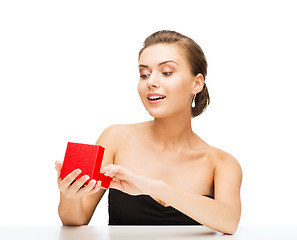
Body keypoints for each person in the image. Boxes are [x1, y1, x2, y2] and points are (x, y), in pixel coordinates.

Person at [55, 30, 242, 234]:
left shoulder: (222, 163)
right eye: (144, 74)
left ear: (196, 83)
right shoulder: (115, 138)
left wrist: (155, 188)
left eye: (166, 72)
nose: (151, 82)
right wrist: (69, 194)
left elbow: (229, 222)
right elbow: (75, 219)